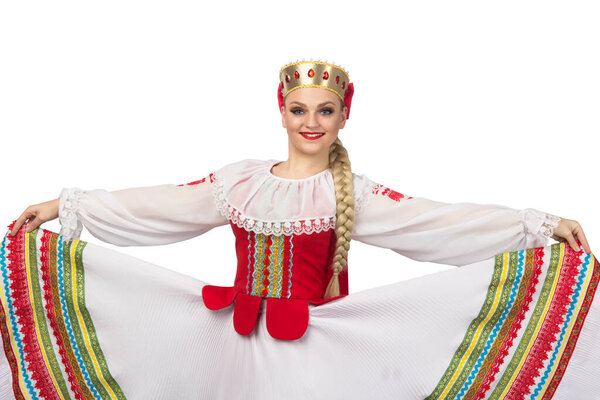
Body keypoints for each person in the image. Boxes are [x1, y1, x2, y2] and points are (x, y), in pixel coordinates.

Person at [1, 59, 597, 399]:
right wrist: (65, 206)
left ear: (344, 116)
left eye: (325, 110)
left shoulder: (353, 193)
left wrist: (534, 227)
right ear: (280, 112)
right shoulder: (240, 182)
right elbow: (161, 207)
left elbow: (435, 221)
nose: (311, 123)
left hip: (318, 352)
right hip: (237, 345)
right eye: (299, 109)